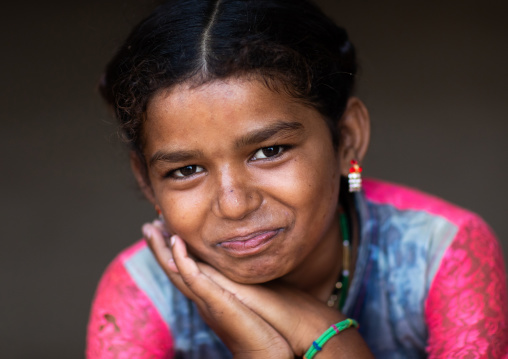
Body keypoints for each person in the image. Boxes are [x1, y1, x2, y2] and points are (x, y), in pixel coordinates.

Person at [86, 0, 508, 358]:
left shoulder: (441, 253)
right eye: (185, 170)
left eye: (269, 151)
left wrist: (322, 332)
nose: (234, 204)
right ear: (145, 180)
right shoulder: (142, 294)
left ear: (346, 141)